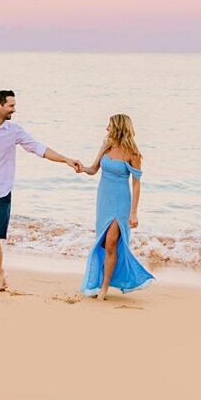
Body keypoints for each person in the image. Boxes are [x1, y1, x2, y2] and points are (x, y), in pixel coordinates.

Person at [0, 90, 82, 293]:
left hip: (0, 193)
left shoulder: (14, 131)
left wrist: (66, 159)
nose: (14, 110)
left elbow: (38, 148)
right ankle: (1, 273)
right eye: (11, 106)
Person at [78, 114, 154, 300]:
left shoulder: (133, 153)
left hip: (121, 202)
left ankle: (104, 287)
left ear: (119, 128)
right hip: (103, 198)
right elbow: (93, 169)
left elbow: (136, 184)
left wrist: (133, 213)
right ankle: (100, 280)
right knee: (103, 243)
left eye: (109, 125)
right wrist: (82, 168)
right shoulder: (106, 145)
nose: (106, 129)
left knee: (112, 242)